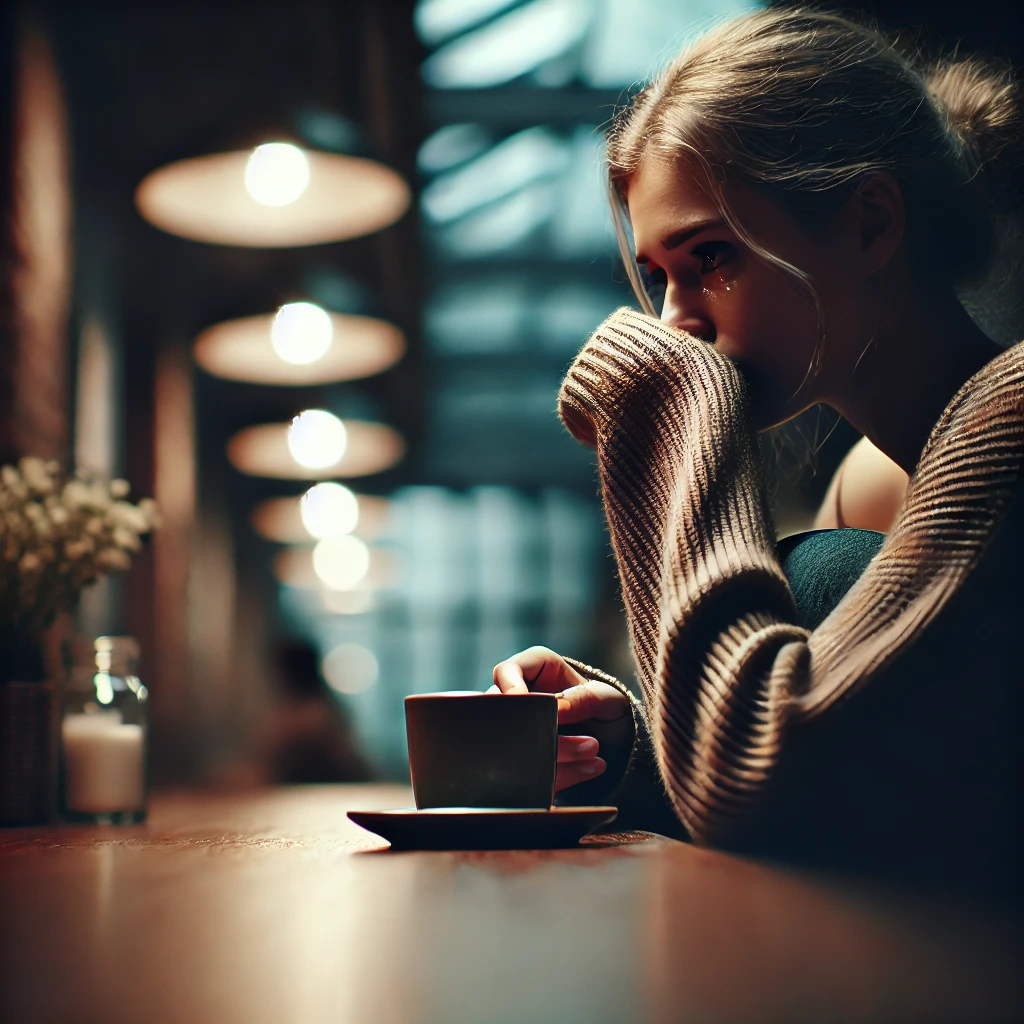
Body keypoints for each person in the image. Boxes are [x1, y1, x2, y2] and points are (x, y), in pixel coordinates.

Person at [491, 8, 1024, 899]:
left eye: (713, 257)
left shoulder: (1012, 412)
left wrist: (677, 423)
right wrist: (625, 741)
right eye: (658, 276)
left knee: (822, 575)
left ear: (871, 222)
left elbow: (757, 780)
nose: (676, 323)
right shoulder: (869, 480)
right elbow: (830, 763)